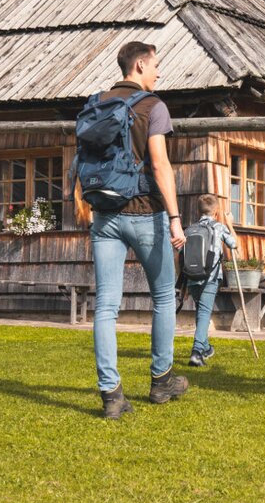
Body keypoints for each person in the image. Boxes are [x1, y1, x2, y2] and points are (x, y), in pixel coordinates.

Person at [89, 41, 188, 419]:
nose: (159, 73)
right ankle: (161, 381)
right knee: (163, 297)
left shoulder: (99, 102)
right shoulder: (153, 106)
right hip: (146, 213)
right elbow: (161, 166)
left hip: (105, 216)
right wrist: (176, 217)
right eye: (157, 65)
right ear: (141, 65)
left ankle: (111, 394)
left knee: (106, 306)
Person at [186, 193, 239, 368]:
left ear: (198, 210)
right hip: (210, 277)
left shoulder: (190, 229)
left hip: (192, 277)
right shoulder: (219, 227)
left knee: (201, 312)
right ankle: (196, 352)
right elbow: (234, 244)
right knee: (204, 313)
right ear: (216, 212)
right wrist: (230, 223)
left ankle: (206, 348)